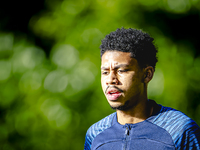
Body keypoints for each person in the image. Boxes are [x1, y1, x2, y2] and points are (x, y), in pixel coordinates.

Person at [84, 28, 200, 150]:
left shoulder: (179, 130)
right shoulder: (95, 134)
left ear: (147, 74)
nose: (110, 79)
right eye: (105, 72)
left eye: (121, 70)